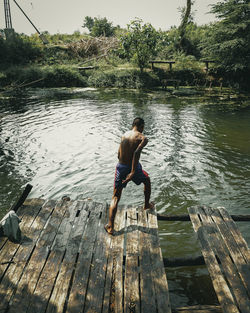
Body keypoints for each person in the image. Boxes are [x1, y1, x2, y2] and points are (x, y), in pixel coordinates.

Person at [105, 117, 154, 235]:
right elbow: (137, 152)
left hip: (121, 166)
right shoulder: (143, 138)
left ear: (133, 125)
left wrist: (124, 167)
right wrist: (132, 172)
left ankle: (110, 227)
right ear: (142, 126)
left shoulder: (124, 135)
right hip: (134, 167)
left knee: (115, 196)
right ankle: (146, 204)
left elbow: (118, 154)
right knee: (146, 180)